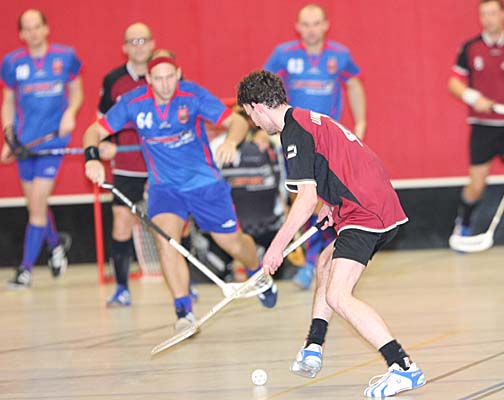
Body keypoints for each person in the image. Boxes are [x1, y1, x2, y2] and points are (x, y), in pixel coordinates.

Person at [237, 70, 426, 397]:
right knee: (325, 264)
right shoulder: (306, 119)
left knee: (338, 295)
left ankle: (403, 367)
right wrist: (332, 202)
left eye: (249, 114)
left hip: (365, 211)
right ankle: (313, 346)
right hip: (367, 203)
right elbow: (339, 159)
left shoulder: (294, 132)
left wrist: (276, 247)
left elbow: (304, 200)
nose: (253, 122)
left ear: (258, 106)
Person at [83, 52, 277, 330]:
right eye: (158, 79)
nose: (165, 85)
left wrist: (231, 142)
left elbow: (235, 122)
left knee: (232, 243)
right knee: (167, 242)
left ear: (178, 74)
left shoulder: (192, 95)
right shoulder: (133, 103)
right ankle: (183, 311)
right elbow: (93, 132)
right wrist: (92, 158)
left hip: (204, 184)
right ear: (148, 79)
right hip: (165, 188)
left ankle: (256, 270)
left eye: (169, 77)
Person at [264, 4, 366, 289]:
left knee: (327, 199)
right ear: (297, 27)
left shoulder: (339, 55)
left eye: (316, 23)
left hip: (328, 139)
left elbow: (354, 85)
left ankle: (318, 261)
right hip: (295, 138)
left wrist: (361, 123)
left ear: (326, 25)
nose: (311, 29)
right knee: (303, 199)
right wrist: (264, 129)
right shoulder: (284, 54)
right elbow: (264, 90)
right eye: (306, 24)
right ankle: (312, 260)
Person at [1, 9, 83, 288]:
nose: (33, 32)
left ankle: (25, 271)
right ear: (21, 34)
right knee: (35, 204)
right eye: (27, 28)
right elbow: (8, 102)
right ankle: (56, 244)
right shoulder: (12, 62)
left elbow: (77, 91)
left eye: (37, 27)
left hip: (53, 144)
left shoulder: (65, 56)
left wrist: (70, 113)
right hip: (26, 145)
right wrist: (9, 138)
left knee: (35, 207)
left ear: (46, 28)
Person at [448, 0, 504, 252]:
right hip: (482, 126)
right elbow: (453, 83)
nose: (488, 19)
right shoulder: (470, 48)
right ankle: (464, 224)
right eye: (484, 14)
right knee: (476, 185)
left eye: (493, 13)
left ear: (503, 15)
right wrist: (473, 98)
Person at [97, 23, 154, 306]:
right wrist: (105, 143)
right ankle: (121, 289)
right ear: (124, 47)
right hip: (127, 165)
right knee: (121, 222)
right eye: (133, 41)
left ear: (152, 43)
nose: (138, 46)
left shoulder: (164, 73)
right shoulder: (113, 80)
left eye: (143, 40)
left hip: (162, 163)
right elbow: (101, 122)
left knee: (173, 223)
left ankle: (186, 286)